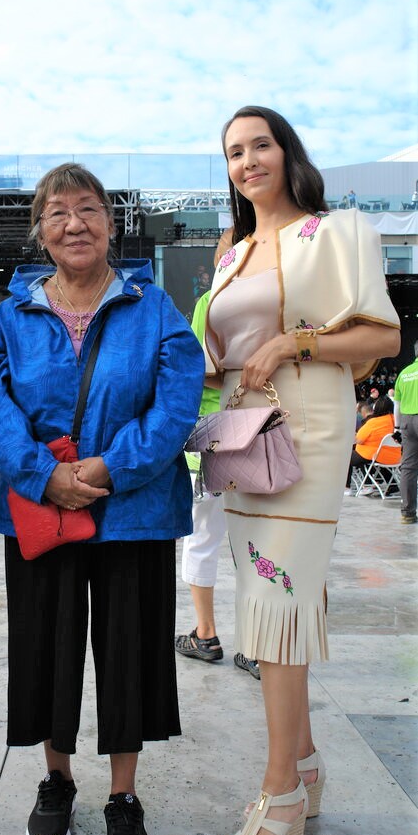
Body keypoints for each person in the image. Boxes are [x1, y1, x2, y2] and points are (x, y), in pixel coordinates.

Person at [0, 162, 203, 835]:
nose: (74, 224)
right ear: (39, 231)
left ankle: (123, 797)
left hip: (132, 511)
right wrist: (46, 476)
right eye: (57, 213)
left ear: (110, 222)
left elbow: (176, 402)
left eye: (88, 209)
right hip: (40, 512)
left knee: (128, 650)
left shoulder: (153, 305)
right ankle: (57, 779)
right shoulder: (11, 316)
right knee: (47, 644)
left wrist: (105, 471)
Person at [202, 106, 399, 835]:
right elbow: (217, 352)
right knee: (268, 607)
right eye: (232, 152)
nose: (246, 160)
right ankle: (306, 766)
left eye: (259, 145)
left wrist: (298, 339)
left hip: (310, 428)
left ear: (285, 152)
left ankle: (280, 795)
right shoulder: (230, 250)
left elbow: (381, 337)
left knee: (277, 607)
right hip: (245, 440)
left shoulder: (336, 232)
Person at [175, 231, 260, 680]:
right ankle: (256, 644)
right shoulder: (275, 300)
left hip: (213, 439)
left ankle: (206, 633)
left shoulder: (213, 301)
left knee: (204, 538)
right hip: (260, 436)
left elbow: (199, 373)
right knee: (255, 542)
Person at [345, 394, 400, 494]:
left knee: (345, 457)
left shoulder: (374, 422)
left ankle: (347, 487)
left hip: (375, 455)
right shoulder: (396, 420)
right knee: (369, 458)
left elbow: (359, 439)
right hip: (395, 456)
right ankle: (392, 485)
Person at [393, 338, 418, 524]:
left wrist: (396, 427)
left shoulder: (404, 373)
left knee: (409, 468)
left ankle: (407, 513)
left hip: (407, 423)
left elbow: (397, 404)